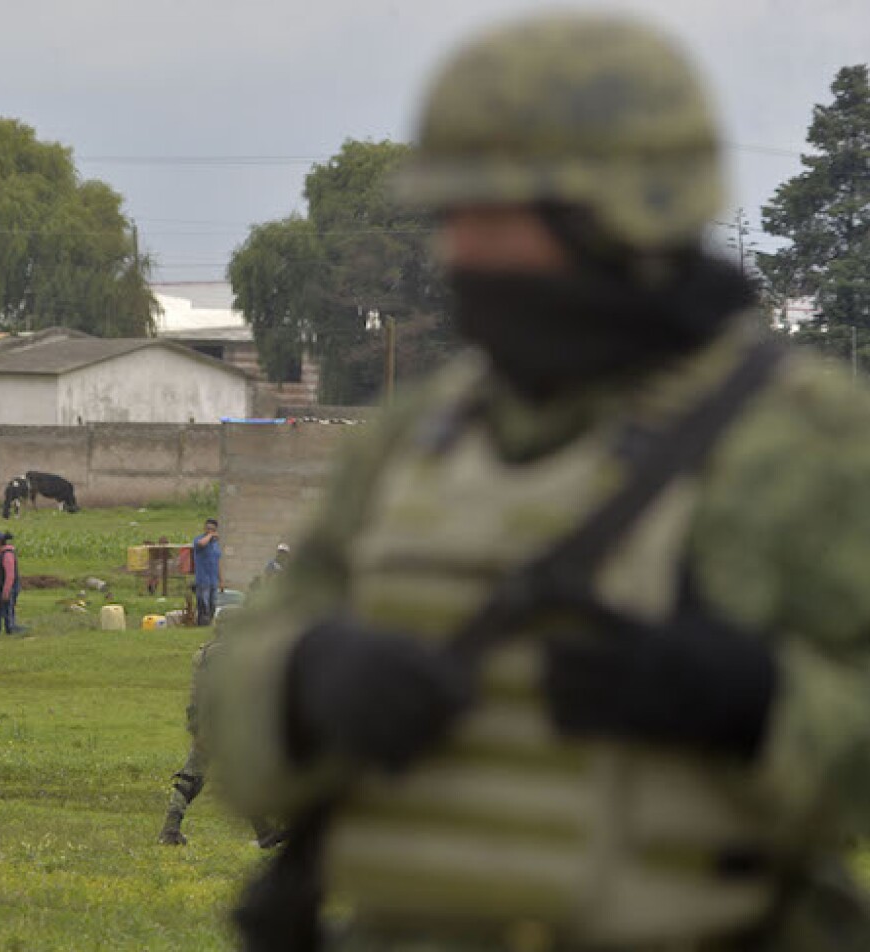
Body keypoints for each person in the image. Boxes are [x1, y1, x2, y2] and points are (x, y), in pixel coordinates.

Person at [209, 12, 870, 951]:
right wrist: (303, 683)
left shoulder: (807, 447)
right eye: (452, 216)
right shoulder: (412, 444)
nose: (461, 252)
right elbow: (238, 685)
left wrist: (758, 705)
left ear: (627, 210)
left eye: (498, 215)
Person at [159, 636, 282, 850]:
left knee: (191, 777)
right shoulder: (226, 655)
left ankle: (170, 829)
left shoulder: (205, 654)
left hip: (206, 725)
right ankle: (265, 832)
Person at [0, 530, 23, 634]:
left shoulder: (7, 555)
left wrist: (6, 591)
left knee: (8, 610)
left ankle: (10, 629)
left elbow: (10, 575)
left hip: (8, 588)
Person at [191, 519, 222, 626]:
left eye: (212, 529)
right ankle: (202, 623)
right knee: (203, 604)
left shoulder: (215, 545)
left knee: (213, 604)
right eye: (208, 529)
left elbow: (218, 562)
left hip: (213, 579)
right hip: (203, 579)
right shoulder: (199, 540)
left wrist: (221, 580)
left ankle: (209, 623)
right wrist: (210, 535)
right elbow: (201, 544)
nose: (210, 531)